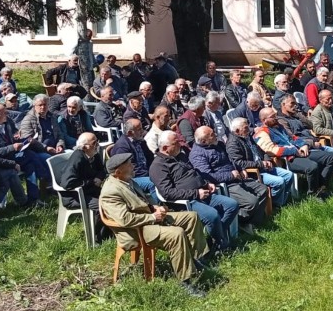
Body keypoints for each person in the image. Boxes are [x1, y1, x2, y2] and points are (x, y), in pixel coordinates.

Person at [100, 151, 208, 297]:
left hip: (147, 220)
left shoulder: (127, 180)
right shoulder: (111, 191)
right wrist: (152, 217)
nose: (133, 166)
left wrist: (155, 207)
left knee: (191, 217)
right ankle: (185, 281)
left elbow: (144, 197)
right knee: (177, 234)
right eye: (129, 164)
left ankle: (195, 259)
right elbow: (125, 219)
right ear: (118, 172)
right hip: (136, 230)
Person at [150, 131, 240, 251]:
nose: (180, 145)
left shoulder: (180, 156)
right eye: (176, 143)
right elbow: (167, 193)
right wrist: (196, 194)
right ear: (165, 148)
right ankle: (221, 245)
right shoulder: (158, 166)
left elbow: (194, 174)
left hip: (203, 193)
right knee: (213, 215)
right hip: (187, 201)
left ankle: (215, 238)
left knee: (232, 205)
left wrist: (206, 183)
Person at [190, 126, 268, 231]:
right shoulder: (197, 155)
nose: (216, 135)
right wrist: (230, 175)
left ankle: (253, 223)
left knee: (263, 189)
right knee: (251, 202)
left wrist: (240, 169)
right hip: (226, 184)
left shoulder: (219, 144)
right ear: (204, 141)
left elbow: (231, 160)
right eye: (212, 135)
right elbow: (207, 176)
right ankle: (239, 221)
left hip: (238, 178)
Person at [253, 107, 333, 199]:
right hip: (289, 158)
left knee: (331, 157)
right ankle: (313, 194)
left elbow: (293, 138)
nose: (275, 118)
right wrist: (294, 151)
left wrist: (303, 145)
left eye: (275, 115)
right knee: (312, 166)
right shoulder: (261, 133)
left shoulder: (279, 126)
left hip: (301, 152)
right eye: (272, 116)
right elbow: (271, 150)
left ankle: (321, 187)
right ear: (264, 120)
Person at [226, 117, 293, 208]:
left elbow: (261, 150)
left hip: (263, 166)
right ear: (237, 131)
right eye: (246, 127)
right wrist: (261, 164)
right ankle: (276, 205)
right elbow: (239, 163)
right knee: (279, 181)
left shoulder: (247, 136)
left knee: (288, 175)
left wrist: (267, 160)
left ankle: (283, 200)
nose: (249, 129)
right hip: (254, 173)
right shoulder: (232, 144)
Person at [0, 103, 48, 206]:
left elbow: (15, 134)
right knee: (30, 155)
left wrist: (20, 137)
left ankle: (33, 199)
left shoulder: (8, 122)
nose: (7, 114)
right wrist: (12, 147)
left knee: (30, 166)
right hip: (3, 160)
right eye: (4, 112)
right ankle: (44, 177)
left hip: (15, 154)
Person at [57, 133, 105, 232]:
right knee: (102, 206)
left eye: (97, 141)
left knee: (113, 199)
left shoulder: (94, 154)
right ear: (84, 147)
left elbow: (102, 170)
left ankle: (111, 230)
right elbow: (67, 183)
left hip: (90, 191)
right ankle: (96, 235)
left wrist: (99, 177)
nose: (97, 145)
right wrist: (90, 182)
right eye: (94, 143)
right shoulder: (77, 158)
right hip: (75, 196)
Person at [108, 118, 158, 199]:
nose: (142, 131)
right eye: (139, 129)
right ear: (130, 133)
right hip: (132, 178)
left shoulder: (141, 141)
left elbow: (150, 158)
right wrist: (150, 175)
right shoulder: (122, 147)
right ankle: (158, 205)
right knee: (152, 183)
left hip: (146, 173)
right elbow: (126, 170)